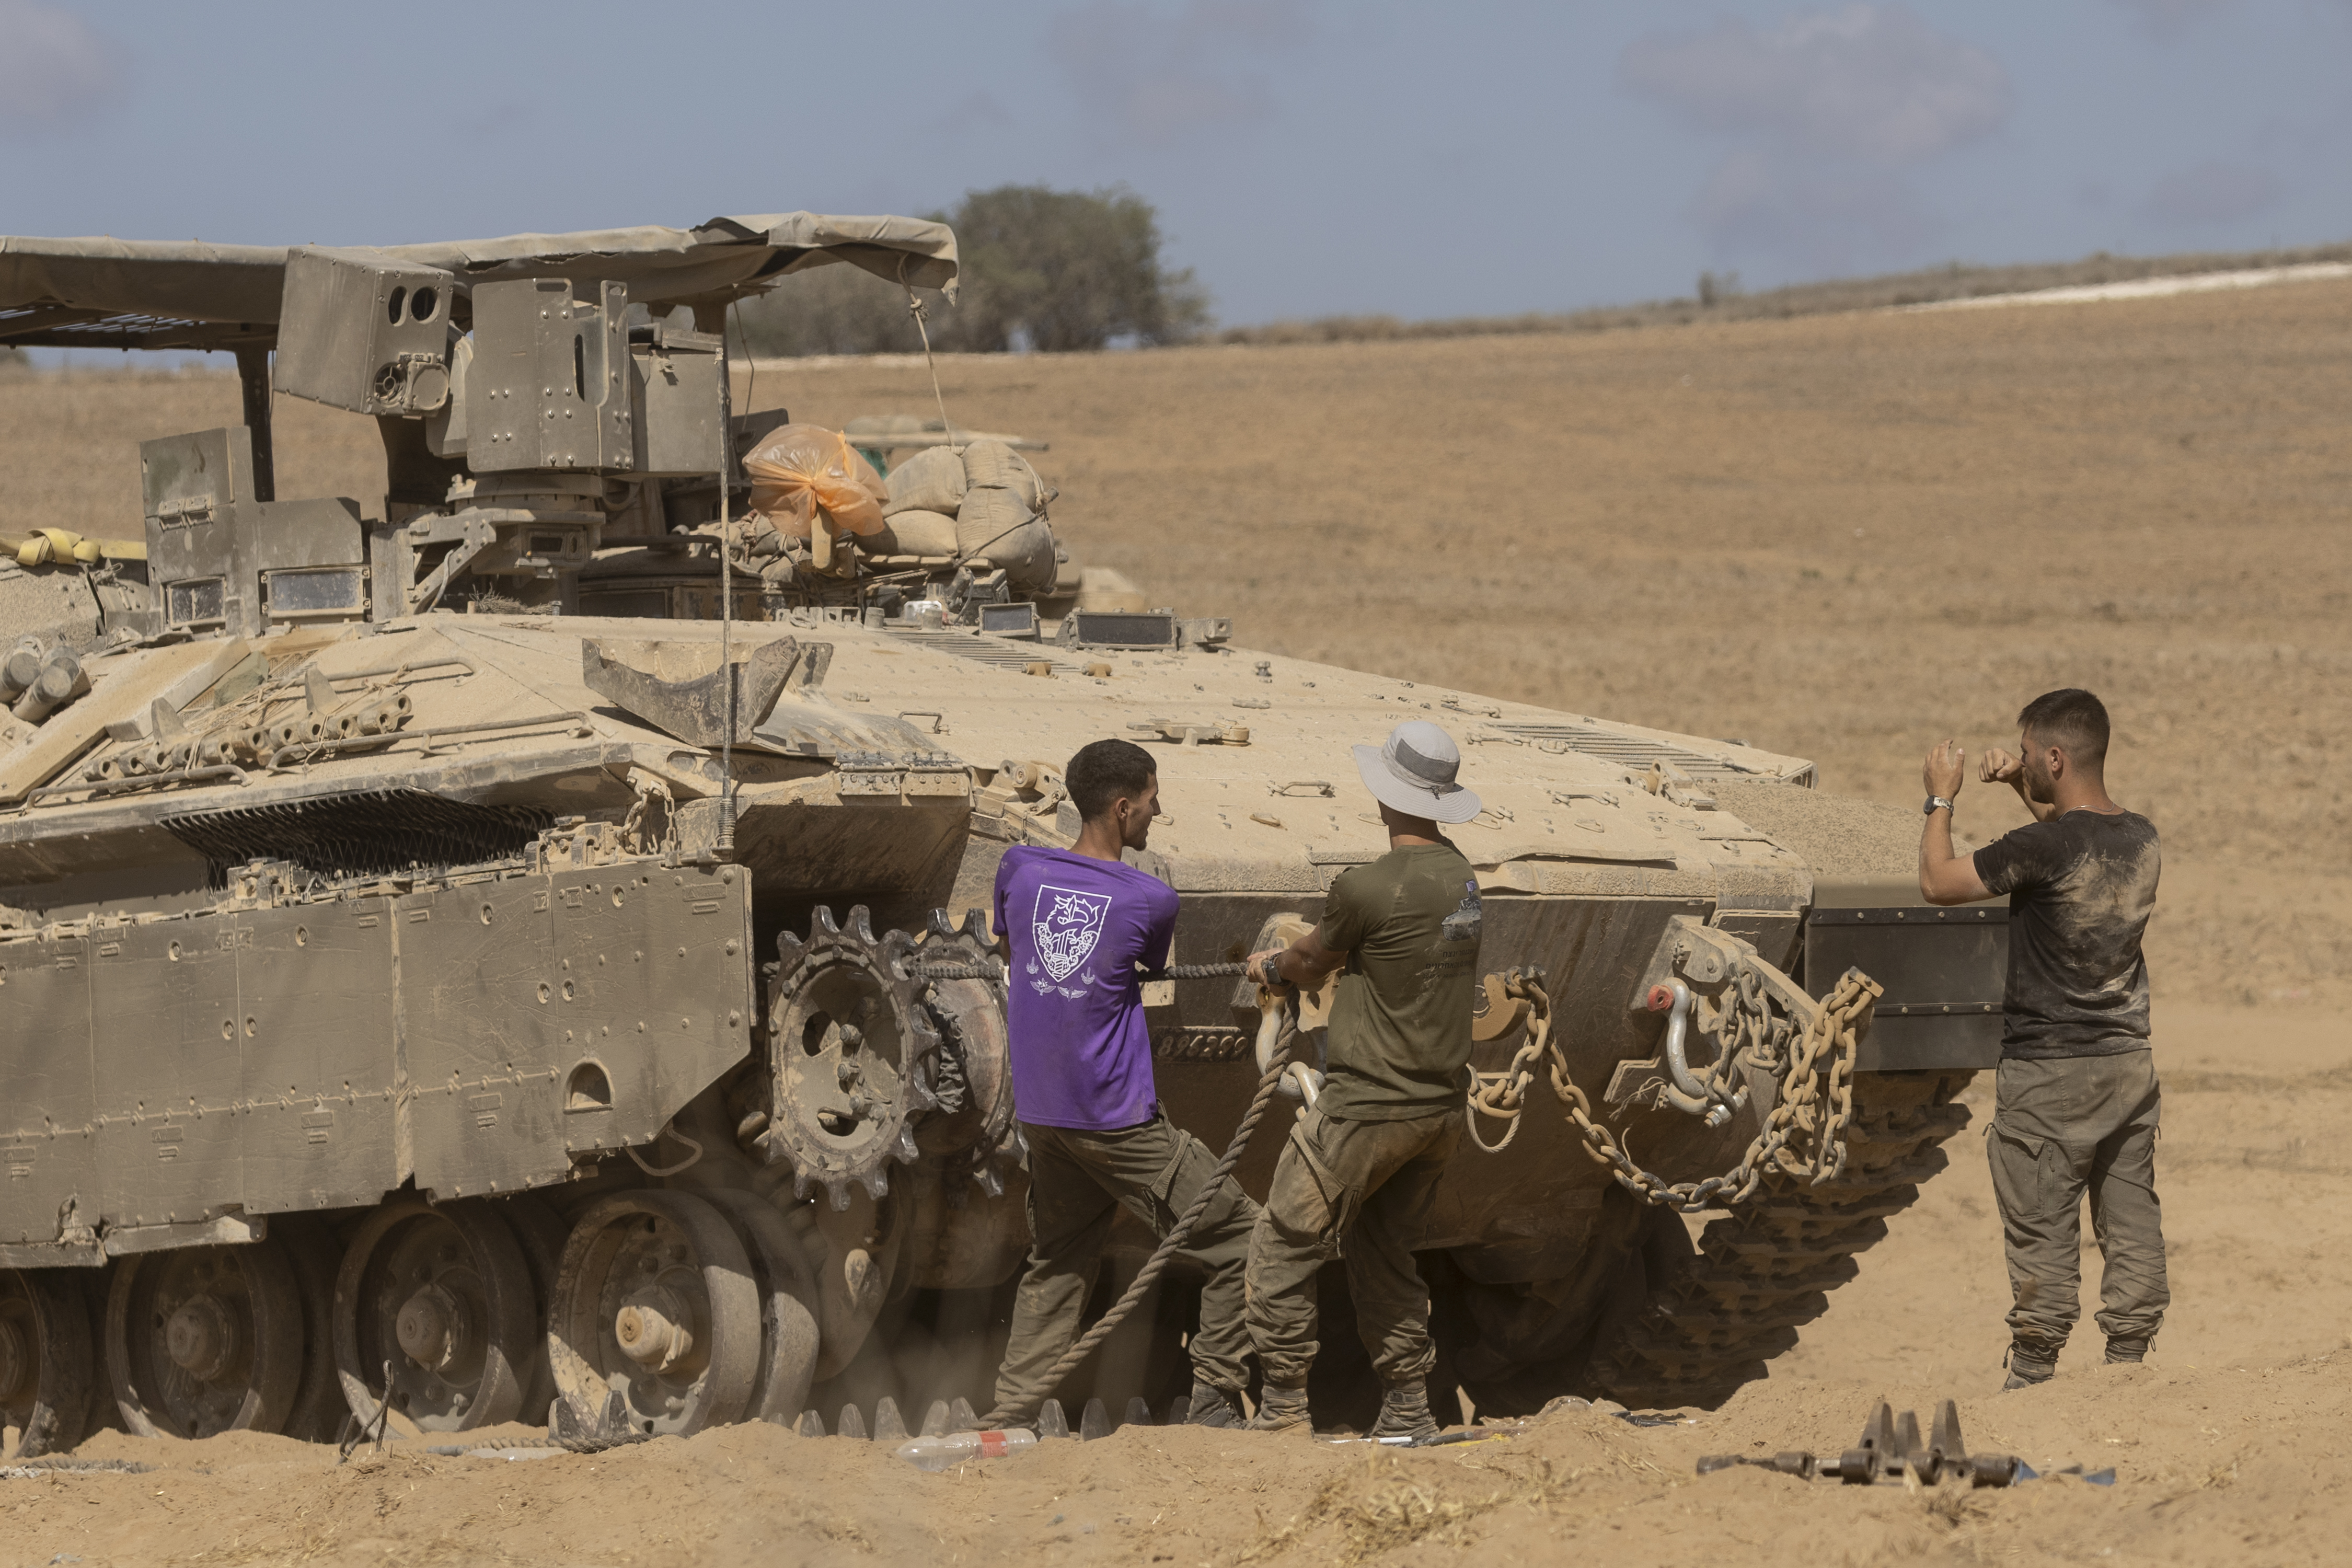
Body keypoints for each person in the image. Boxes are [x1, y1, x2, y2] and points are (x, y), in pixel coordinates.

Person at [983, 738, 1262, 1429]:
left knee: (1058, 1262)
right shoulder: (1149, 899)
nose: (1157, 810)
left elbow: (1011, 948)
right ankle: (1216, 1403)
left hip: (1043, 1115)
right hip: (1115, 1118)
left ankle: (1008, 1420)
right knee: (1242, 1235)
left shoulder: (1018, 868)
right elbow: (1141, 962)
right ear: (1122, 805)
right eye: (1152, 799)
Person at [1918, 688, 2169, 1390]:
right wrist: (2021, 790)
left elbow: (1939, 884)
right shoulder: (2141, 839)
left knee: (2042, 1226)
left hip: (2051, 1073)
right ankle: (2129, 1369)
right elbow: (2068, 854)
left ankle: (2033, 1377)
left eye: (2030, 756)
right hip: (2127, 1065)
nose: (2022, 763)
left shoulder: (2046, 845)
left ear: (2055, 757)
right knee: (2130, 1217)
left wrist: (1942, 799)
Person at [1241, 720, 1483, 1438]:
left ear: (1386, 799)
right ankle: (1408, 1407)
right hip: (1437, 1109)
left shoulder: (1365, 886)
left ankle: (1283, 1409)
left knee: (1283, 1242)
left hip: (1365, 1106)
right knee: (1385, 1251)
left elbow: (1312, 961)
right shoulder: (1462, 877)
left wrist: (1269, 968)